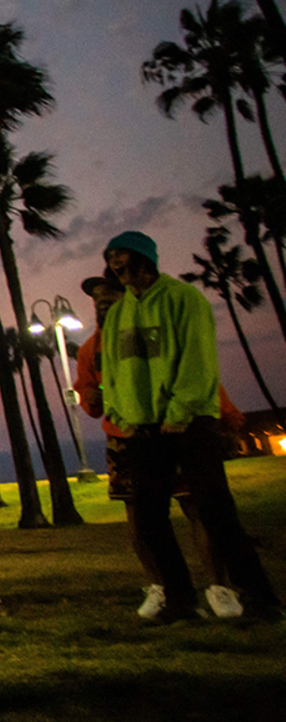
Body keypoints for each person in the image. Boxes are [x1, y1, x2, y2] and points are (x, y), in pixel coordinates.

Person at [99, 231, 280, 623]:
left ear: (143, 257)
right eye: (111, 256)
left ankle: (260, 597)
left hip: (190, 425)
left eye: (122, 255)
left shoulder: (183, 300)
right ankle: (181, 600)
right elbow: (111, 370)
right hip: (143, 429)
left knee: (216, 512)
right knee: (149, 518)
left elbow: (198, 360)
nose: (115, 263)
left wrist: (179, 412)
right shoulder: (118, 314)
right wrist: (120, 412)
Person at [74, 273, 245, 619]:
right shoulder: (91, 349)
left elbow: (184, 372)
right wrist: (93, 397)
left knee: (197, 508)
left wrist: (226, 417)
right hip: (125, 438)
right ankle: (162, 587)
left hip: (172, 428)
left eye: (110, 295)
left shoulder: (147, 331)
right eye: (96, 299)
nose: (102, 302)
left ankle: (218, 588)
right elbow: (90, 398)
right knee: (140, 518)